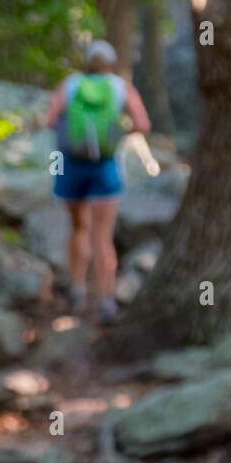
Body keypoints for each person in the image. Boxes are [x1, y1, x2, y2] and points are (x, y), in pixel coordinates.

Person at [42, 39, 150, 323]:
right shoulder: (119, 87)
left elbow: (51, 120)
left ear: (86, 61)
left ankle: (77, 291)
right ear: (110, 63)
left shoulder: (70, 84)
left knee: (78, 228)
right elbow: (142, 124)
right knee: (103, 236)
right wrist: (115, 133)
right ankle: (106, 301)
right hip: (105, 166)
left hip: (70, 165)